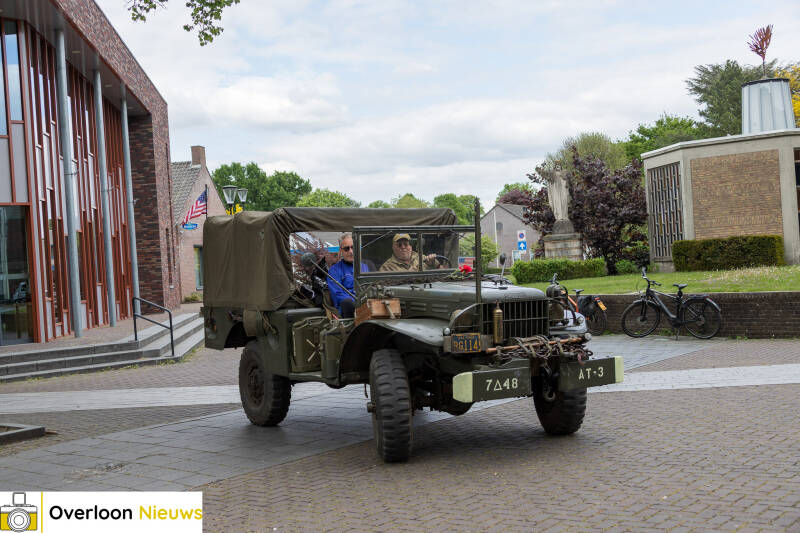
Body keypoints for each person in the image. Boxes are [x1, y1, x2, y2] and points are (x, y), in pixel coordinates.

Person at [328, 233, 369, 318]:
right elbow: (338, 295)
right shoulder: (334, 270)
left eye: (353, 247)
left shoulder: (364, 266)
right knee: (348, 302)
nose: (351, 251)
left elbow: (370, 287)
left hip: (366, 304)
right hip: (348, 309)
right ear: (341, 251)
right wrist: (358, 302)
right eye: (346, 248)